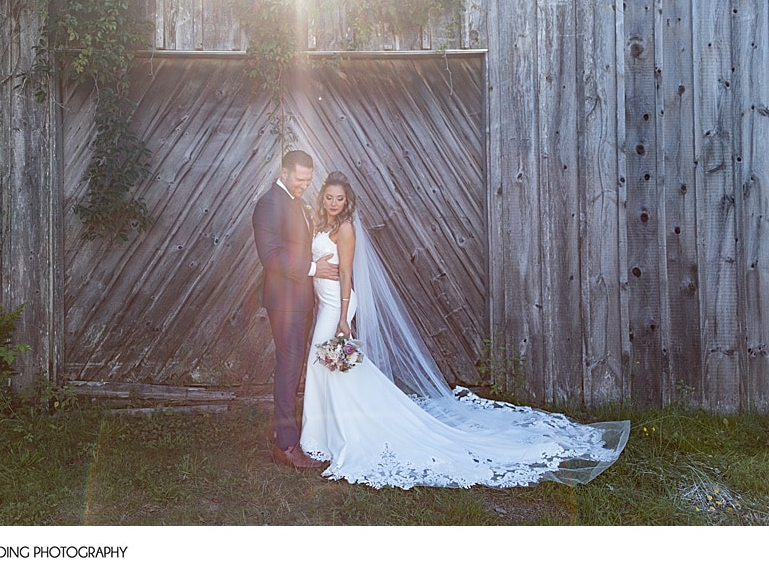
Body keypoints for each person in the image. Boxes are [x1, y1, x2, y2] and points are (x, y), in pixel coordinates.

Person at [300, 171, 631, 489]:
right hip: (324, 303)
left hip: (337, 305)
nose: (333, 203)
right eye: (328, 197)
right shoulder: (322, 222)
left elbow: (346, 275)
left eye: (339, 199)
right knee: (331, 370)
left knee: (322, 366)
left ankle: (327, 436)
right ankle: (328, 433)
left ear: (347, 202)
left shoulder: (344, 229)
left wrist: (344, 317)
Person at [252, 150, 338, 469]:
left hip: (301, 300)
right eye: (300, 179)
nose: (305, 184)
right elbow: (271, 257)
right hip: (284, 302)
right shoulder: (269, 204)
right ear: (284, 172)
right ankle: (286, 446)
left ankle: (282, 432)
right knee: (289, 367)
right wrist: (315, 269)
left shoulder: (297, 202)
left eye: (308, 179)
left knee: (293, 365)